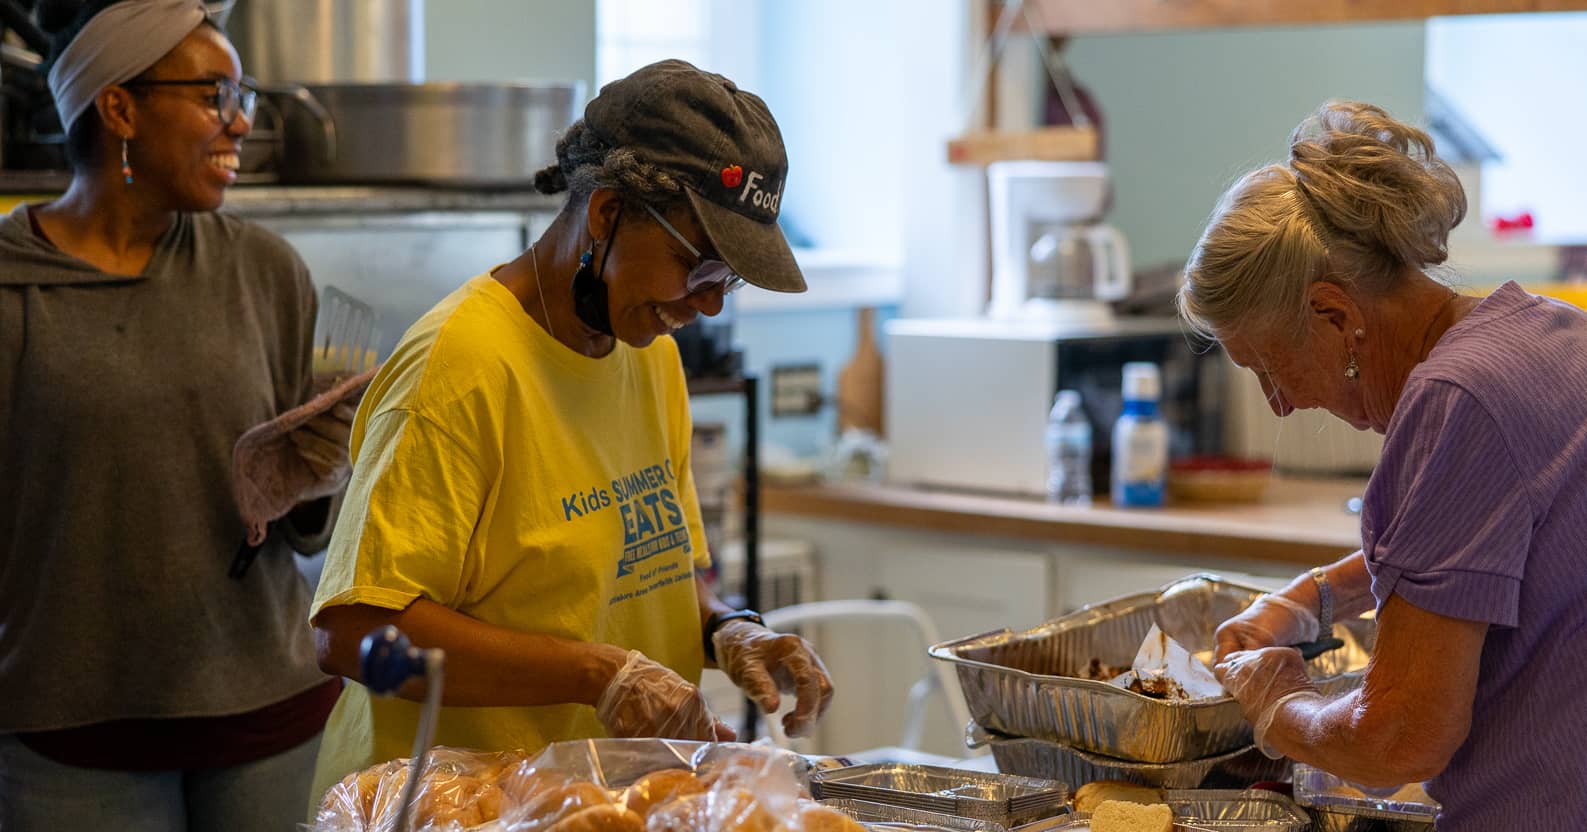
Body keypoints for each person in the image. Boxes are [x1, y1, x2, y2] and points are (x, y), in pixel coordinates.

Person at [308, 59, 835, 804]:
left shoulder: (648, 354)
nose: (710, 304)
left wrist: (728, 629)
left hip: (590, 803)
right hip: (449, 807)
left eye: (728, 279)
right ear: (607, 214)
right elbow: (352, 630)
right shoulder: (459, 368)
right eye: (699, 266)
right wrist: (599, 675)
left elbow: (653, 570)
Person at [1181, 100, 1587, 830]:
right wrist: (1313, 597)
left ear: (1335, 316)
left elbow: (1398, 738)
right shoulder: (1548, 330)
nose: (1278, 404)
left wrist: (1276, 705)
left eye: (1270, 367)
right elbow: (1484, 547)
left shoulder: (1455, 399)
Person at [0, 1, 354, 829]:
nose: (241, 124)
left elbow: (303, 532)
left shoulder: (265, 271)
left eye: (244, 96)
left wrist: (317, 472)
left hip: (268, 712)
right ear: (118, 108)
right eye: (213, 95)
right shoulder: (12, 291)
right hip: (72, 733)